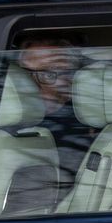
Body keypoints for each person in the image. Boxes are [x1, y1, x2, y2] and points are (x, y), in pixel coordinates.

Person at [17, 37, 92, 193]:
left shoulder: (83, 133)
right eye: (26, 74)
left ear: (71, 80)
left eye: (49, 73)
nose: (33, 83)